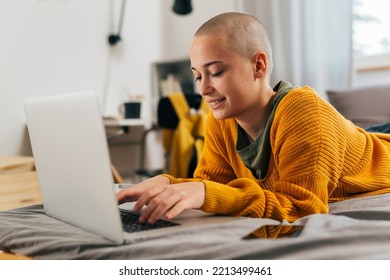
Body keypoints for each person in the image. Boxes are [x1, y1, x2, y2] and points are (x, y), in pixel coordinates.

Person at [117, 12, 390, 225]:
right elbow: (213, 186)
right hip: (356, 137)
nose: (203, 89)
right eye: (198, 75)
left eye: (216, 72)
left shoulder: (304, 112)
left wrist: (205, 193)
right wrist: (167, 182)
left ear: (258, 66)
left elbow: (302, 207)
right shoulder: (221, 119)